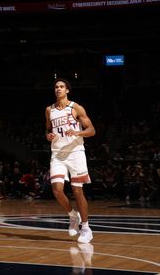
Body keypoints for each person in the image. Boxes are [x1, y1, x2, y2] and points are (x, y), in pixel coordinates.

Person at [45, 78, 95, 244]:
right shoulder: (49, 110)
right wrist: (48, 135)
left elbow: (92, 130)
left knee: (77, 191)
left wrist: (78, 133)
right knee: (57, 189)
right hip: (57, 153)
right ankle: (73, 216)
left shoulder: (75, 108)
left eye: (61, 87)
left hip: (75, 153)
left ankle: (86, 228)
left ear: (67, 90)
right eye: (56, 87)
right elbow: (48, 129)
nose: (58, 89)